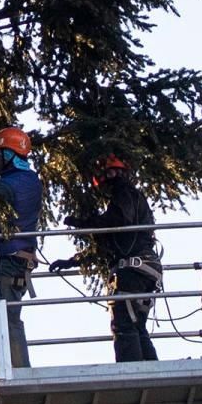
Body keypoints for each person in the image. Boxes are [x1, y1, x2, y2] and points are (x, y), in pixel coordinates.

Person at [65, 154, 161, 362]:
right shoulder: (130, 197)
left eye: (111, 173)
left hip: (133, 269)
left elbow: (114, 221)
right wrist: (73, 261)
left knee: (123, 324)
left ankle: (132, 375)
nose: (111, 178)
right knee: (136, 325)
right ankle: (152, 374)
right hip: (144, 268)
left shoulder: (124, 194)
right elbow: (106, 246)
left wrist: (85, 222)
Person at [0, 126, 45, 368]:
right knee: (8, 317)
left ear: (7, 156)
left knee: (7, 318)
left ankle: (18, 371)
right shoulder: (29, 179)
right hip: (20, 261)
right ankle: (13, 368)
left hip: (10, 261)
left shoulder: (6, 187)